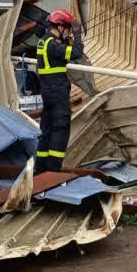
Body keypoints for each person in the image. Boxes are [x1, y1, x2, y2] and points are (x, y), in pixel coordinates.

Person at [34, 9, 85, 172]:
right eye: (68, 28)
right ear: (61, 26)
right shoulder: (53, 45)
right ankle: (53, 170)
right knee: (61, 129)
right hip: (57, 93)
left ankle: (40, 169)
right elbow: (77, 53)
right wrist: (77, 36)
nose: (69, 32)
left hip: (47, 92)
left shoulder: (43, 41)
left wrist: (67, 41)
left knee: (47, 130)